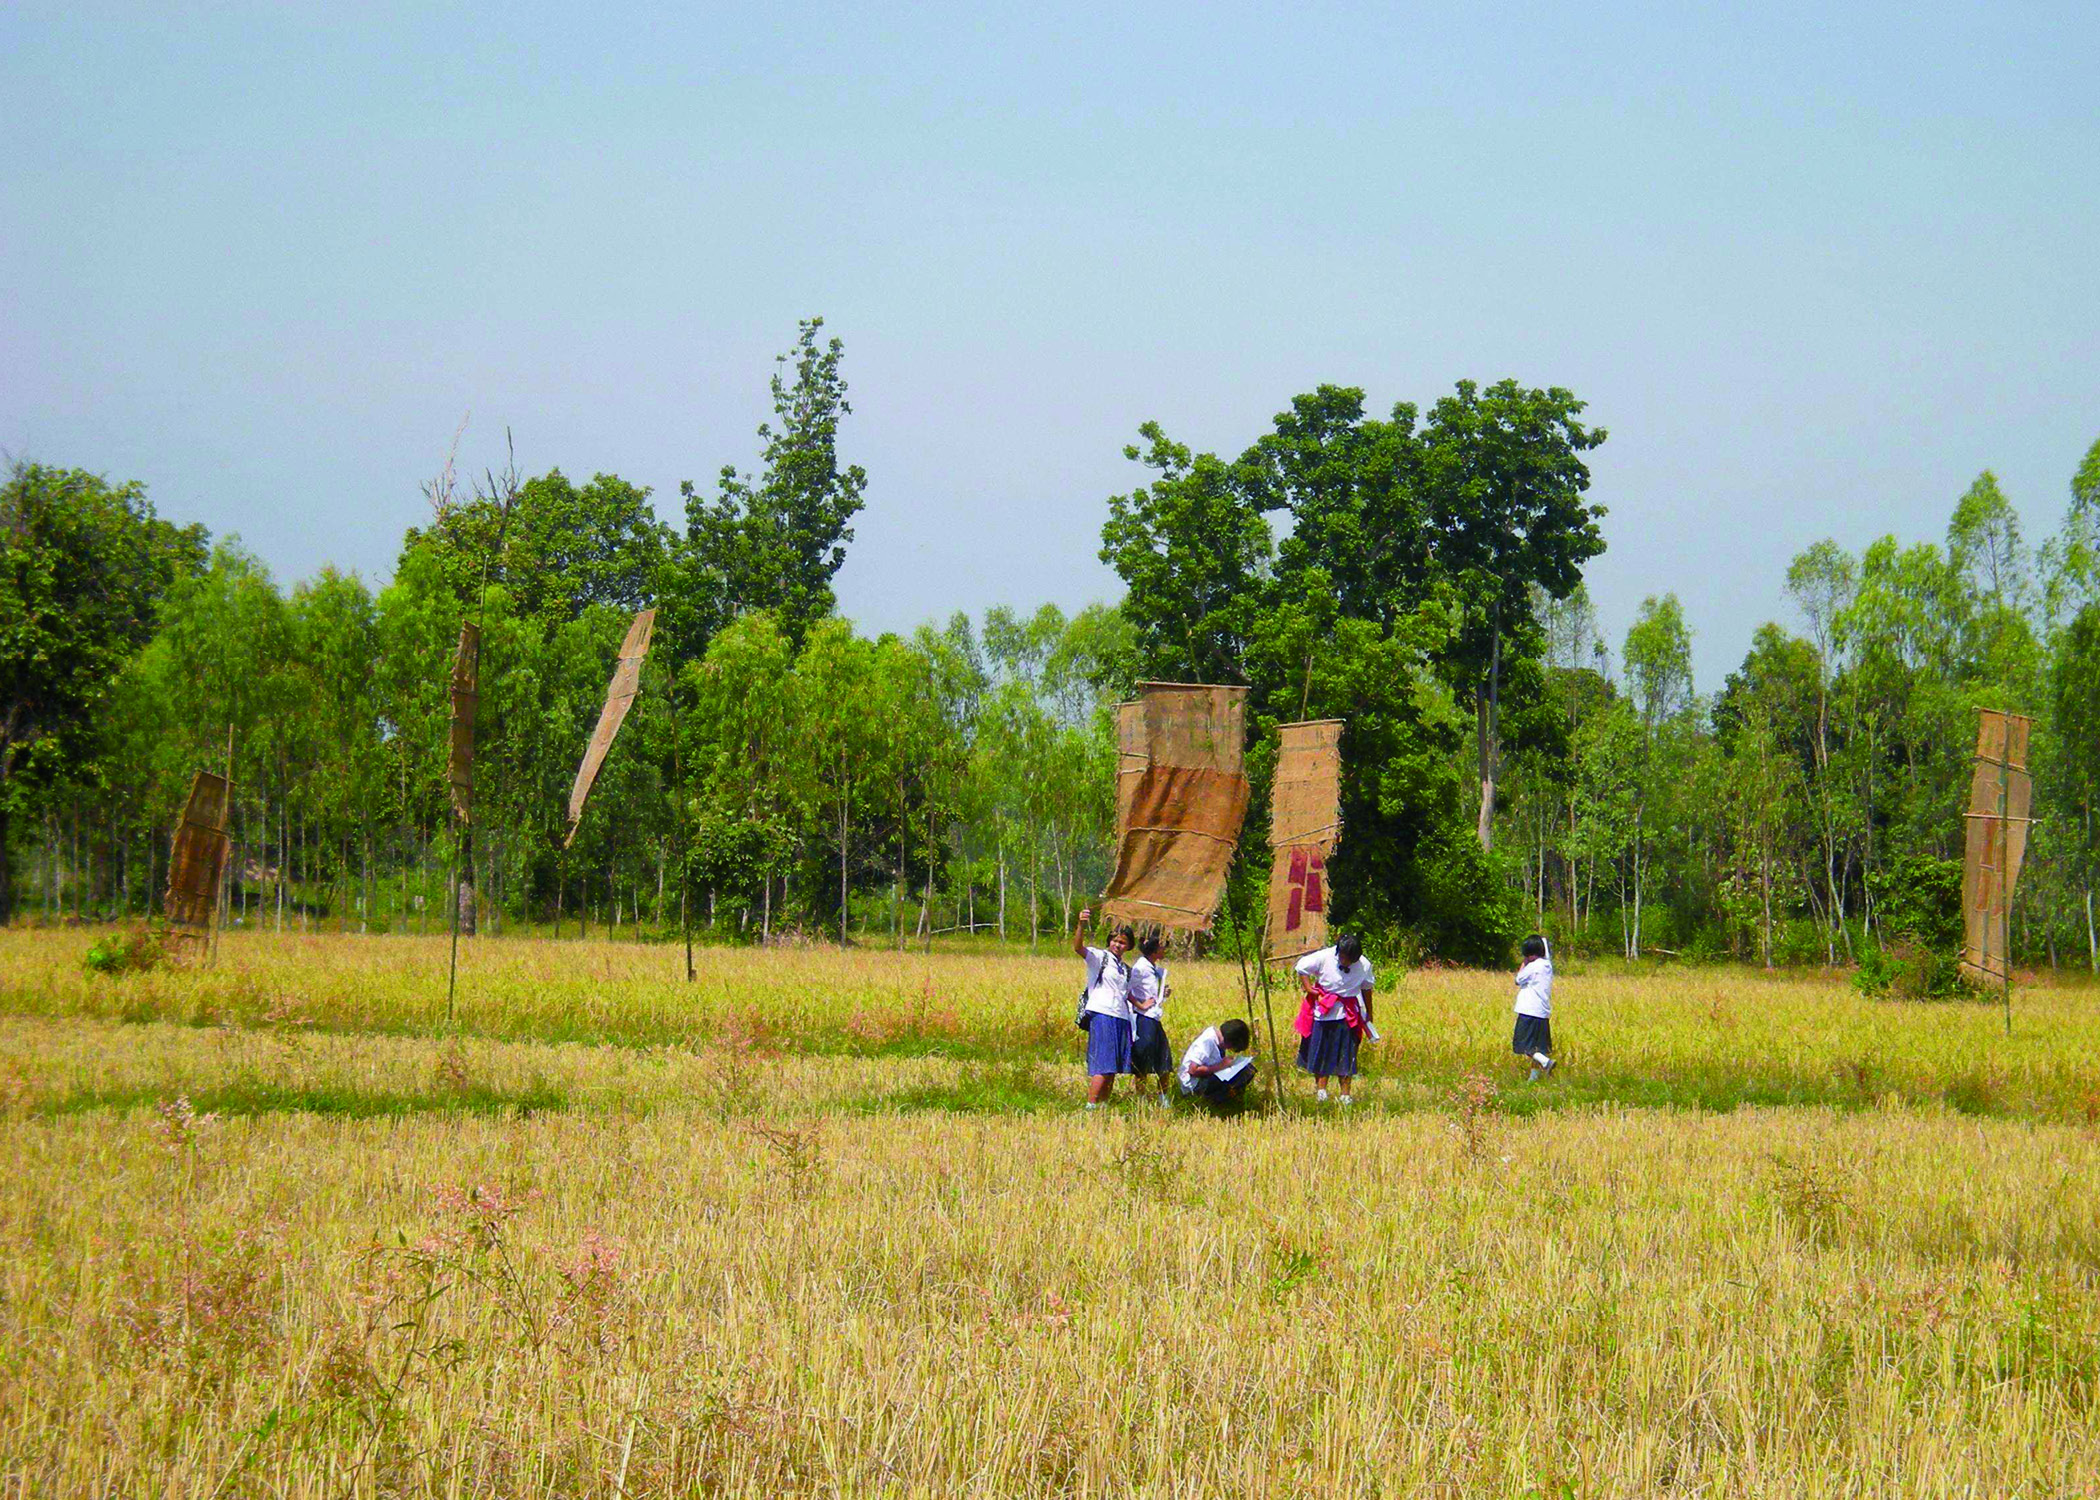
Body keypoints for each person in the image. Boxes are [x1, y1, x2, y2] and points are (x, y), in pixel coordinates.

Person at [1293, 934, 1374, 1104]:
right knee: (1322, 1052)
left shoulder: (1364, 965)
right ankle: (1321, 1091)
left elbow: (1367, 988)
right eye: (1344, 958)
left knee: (1347, 1054)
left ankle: (1345, 1095)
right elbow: (1301, 968)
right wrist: (1309, 988)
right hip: (1324, 1011)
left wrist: (1369, 1014)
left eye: (1350, 960)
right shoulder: (1324, 957)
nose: (1346, 963)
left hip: (1348, 1014)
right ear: (1339, 952)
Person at [1071, 907, 1134, 1108]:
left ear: (1128, 946)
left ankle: (1104, 1105)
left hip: (1121, 1017)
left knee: (1113, 1066)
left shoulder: (1125, 969)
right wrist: (1081, 924)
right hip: (1102, 1014)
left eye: (1122, 942)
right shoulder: (1099, 958)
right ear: (1109, 941)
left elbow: (1128, 995)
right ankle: (1091, 1106)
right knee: (1103, 1063)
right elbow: (1078, 948)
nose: (1118, 944)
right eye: (1115, 940)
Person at [1127, 934, 1174, 1108]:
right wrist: (1140, 1004)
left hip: (1154, 1016)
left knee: (1164, 1056)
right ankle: (1140, 1097)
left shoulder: (1155, 968)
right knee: (1143, 1057)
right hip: (1143, 1018)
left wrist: (1162, 995)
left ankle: (1163, 1097)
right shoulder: (1140, 967)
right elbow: (1126, 988)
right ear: (1154, 949)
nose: (1164, 950)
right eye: (1162, 946)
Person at [1179, 1018, 1255, 1108]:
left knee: (1249, 1070)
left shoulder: (1218, 1041)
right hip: (1194, 1085)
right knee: (1241, 1076)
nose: (1228, 1049)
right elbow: (1192, 1070)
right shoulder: (1207, 1042)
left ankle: (1230, 1098)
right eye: (1232, 1047)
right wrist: (1221, 1066)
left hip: (1206, 1076)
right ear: (1229, 1042)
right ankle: (1214, 1101)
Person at [1513, 933, 1556, 1081]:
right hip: (1542, 1012)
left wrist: (1524, 963)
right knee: (1539, 1048)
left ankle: (1546, 1062)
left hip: (1528, 1010)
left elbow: (1518, 979)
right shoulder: (1547, 966)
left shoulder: (1533, 967)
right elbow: (1545, 952)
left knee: (1523, 1045)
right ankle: (1533, 1080)